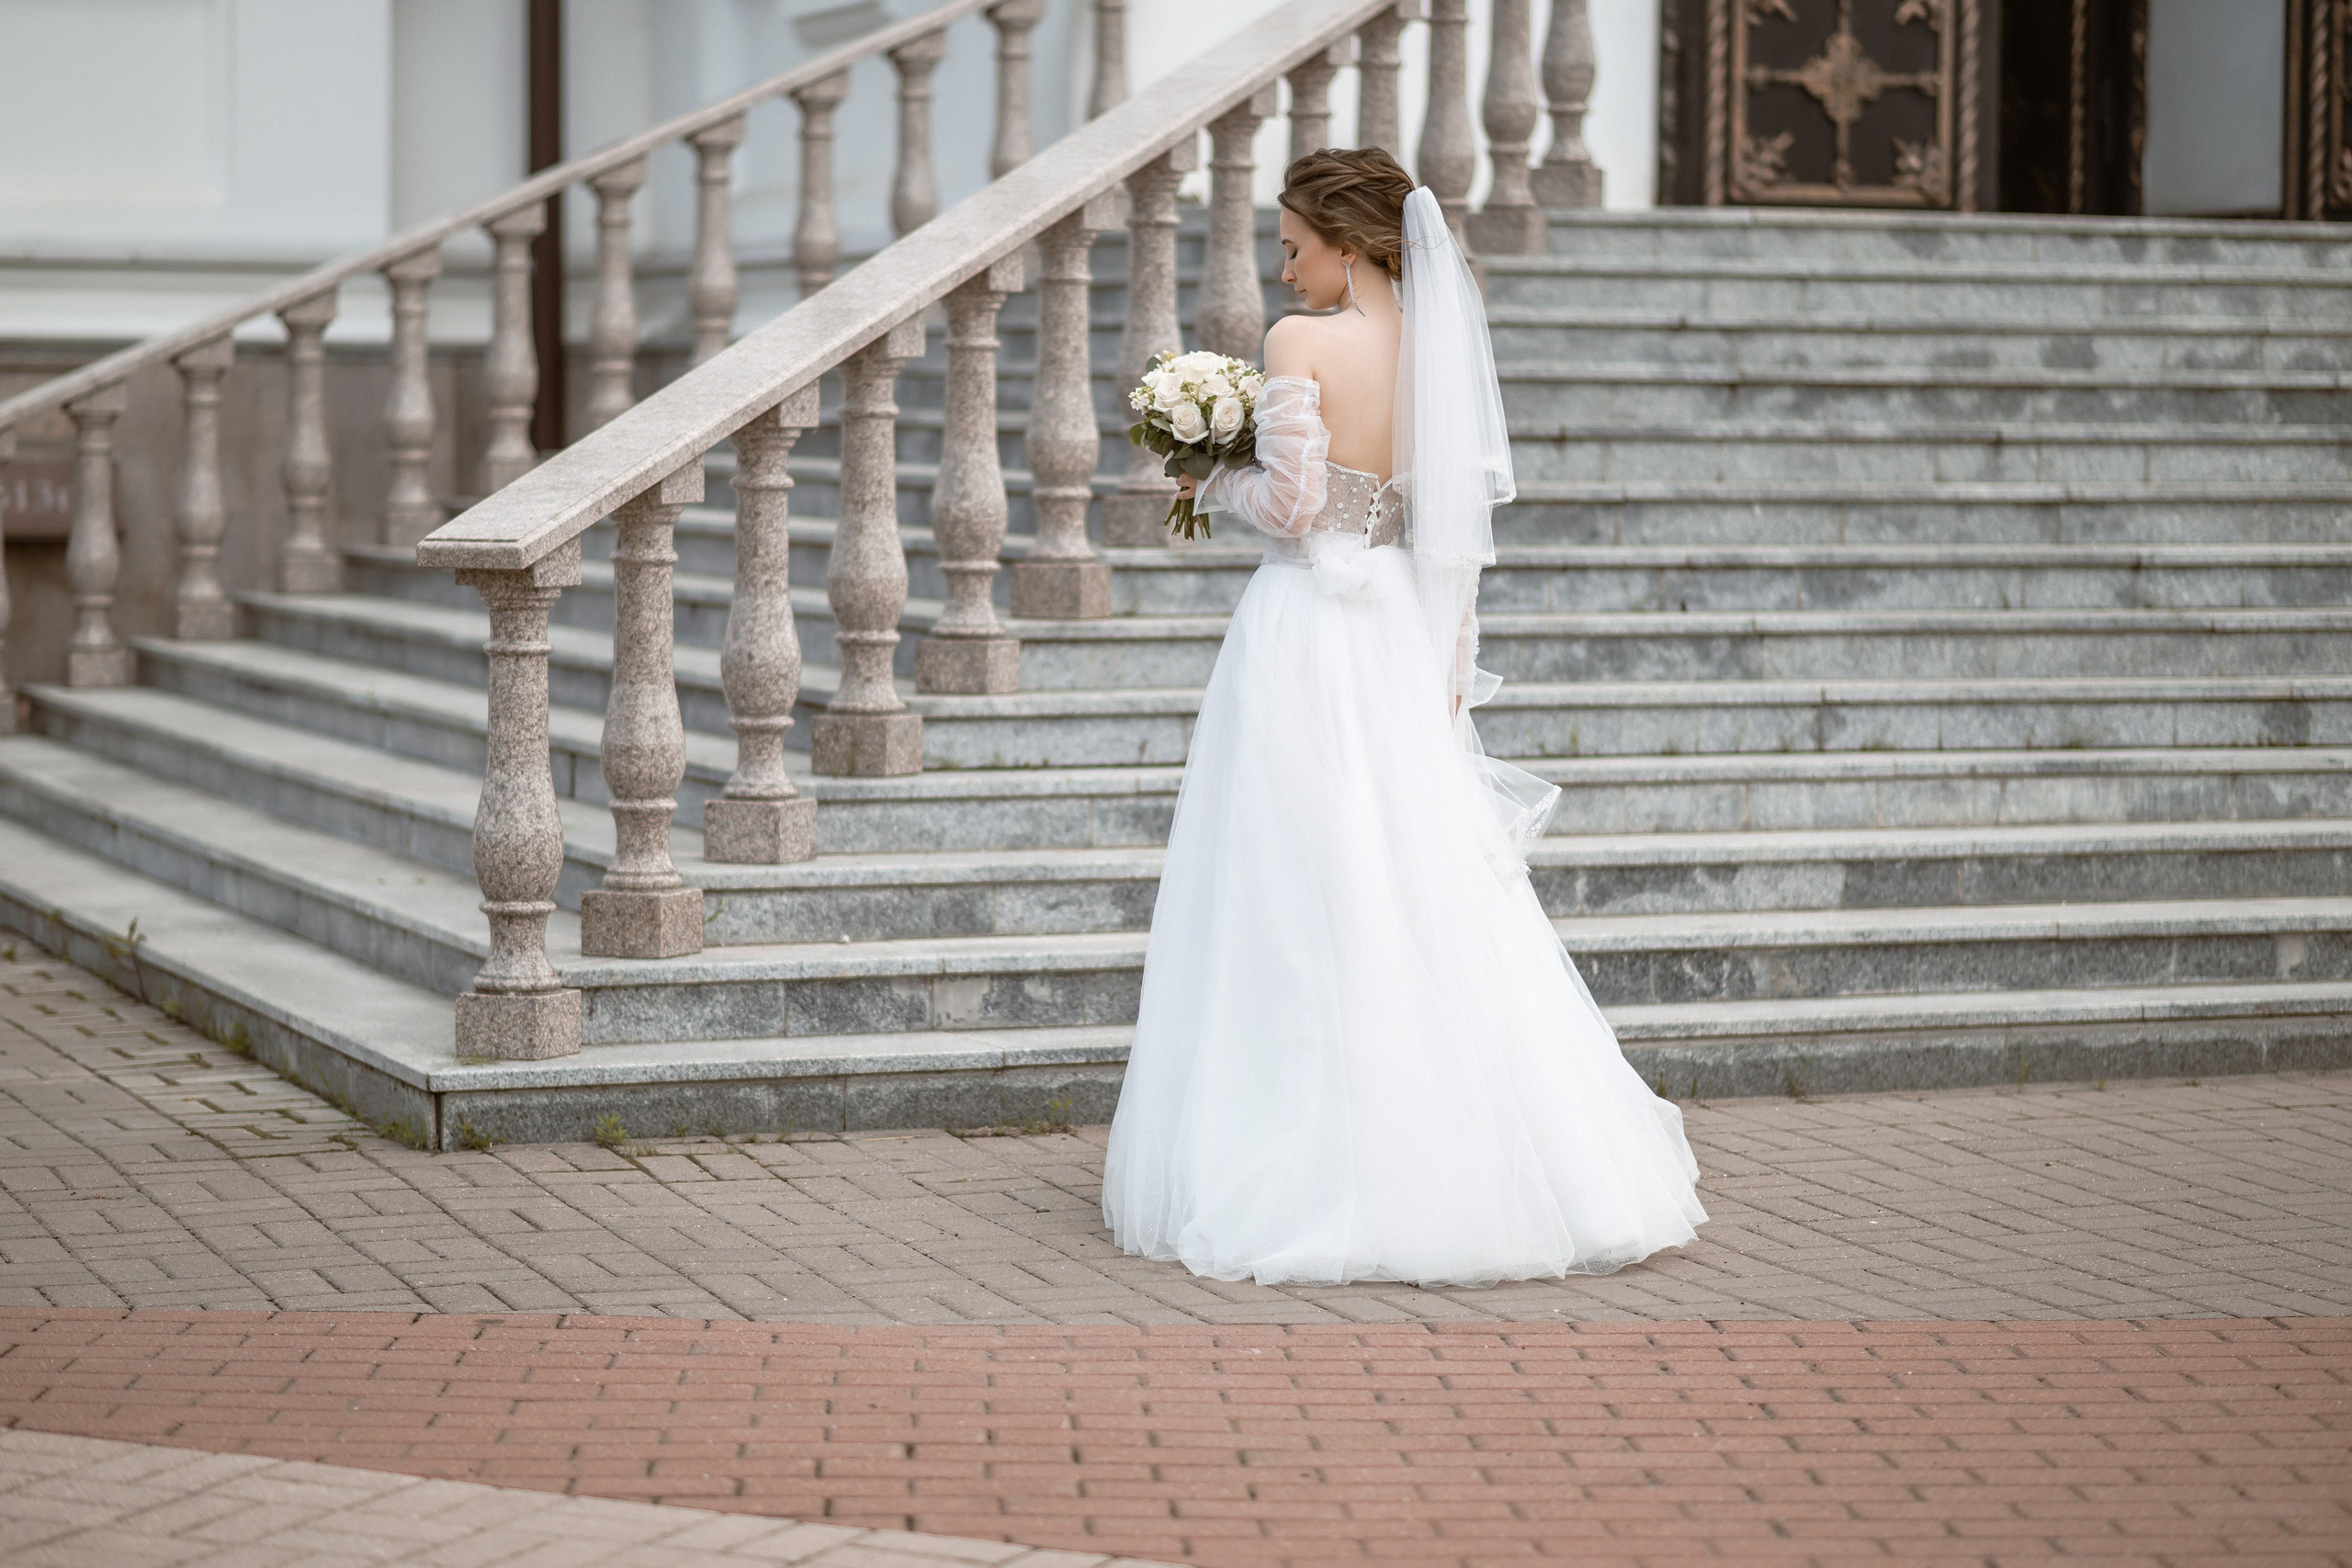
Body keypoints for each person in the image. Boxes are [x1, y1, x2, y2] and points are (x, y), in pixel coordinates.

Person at [1099, 148, 1709, 1288]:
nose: (1284, 269)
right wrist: (1449, 669)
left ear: (1348, 244)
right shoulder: (1435, 353)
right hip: (1391, 630)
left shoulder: (1300, 342)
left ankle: (1300, 1141)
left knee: (1290, 875)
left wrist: (1204, 477)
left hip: (1304, 628)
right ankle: (1472, 1146)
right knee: (1406, 873)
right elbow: (1448, 535)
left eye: (1293, 246)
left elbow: (1292, 502)